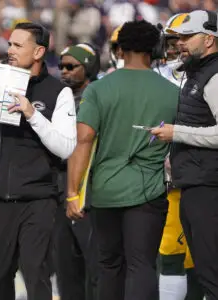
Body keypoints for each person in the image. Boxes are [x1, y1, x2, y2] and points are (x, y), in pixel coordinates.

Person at [0, 22, 77, 300]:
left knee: (36, 272)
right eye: (9, 44)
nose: (9, 50)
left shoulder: (59, 92)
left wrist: (32, 114)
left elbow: (66, 147)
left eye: (17, 45)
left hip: (37, 198)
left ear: (38, 52)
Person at [66, 20, 179, 300]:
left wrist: (71, 193)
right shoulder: (173, 93)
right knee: (142, 265)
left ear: (120, 49)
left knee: (109, 265)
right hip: (149, 191)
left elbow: (83, 141)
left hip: (105, 191)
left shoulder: (98, 90)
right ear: (155, 49)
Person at [151, 10, 218, 300]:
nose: (181, 43)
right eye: (179, 37)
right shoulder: (197, 72)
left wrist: (176, 133)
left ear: (209, 38)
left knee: (212, 271)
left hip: (209, 186)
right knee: (205, 271)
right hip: (195, 182)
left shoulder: (214, 75)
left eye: (188, 37)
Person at [53, 43, 100, 300]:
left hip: (87, 188)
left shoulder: (97, 97)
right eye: (61, 66)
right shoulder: (58, 100)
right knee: (65, 267)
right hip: (59, 187)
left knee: (95, 267)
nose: (64, 71)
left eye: (72, 66)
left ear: (89, 66)